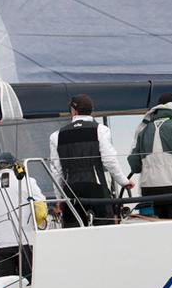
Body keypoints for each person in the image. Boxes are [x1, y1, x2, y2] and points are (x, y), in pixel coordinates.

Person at [49, 94, 133, 227]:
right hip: (96, 186)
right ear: (91, 110)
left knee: (73, 230)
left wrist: (59, 198)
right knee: (105, 225)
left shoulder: (56, 135)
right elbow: (109, 161)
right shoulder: (101, 130)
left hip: (71, 189)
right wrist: (124, 181)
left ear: (74, 111)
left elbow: (56, 170)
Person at [0, 152, 46, 281]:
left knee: (6, 287)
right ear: (14, 165)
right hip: (26, 242)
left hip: (1, 245)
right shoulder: (28, 181)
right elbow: (41, 208)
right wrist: (40, 226)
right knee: (30, 283)